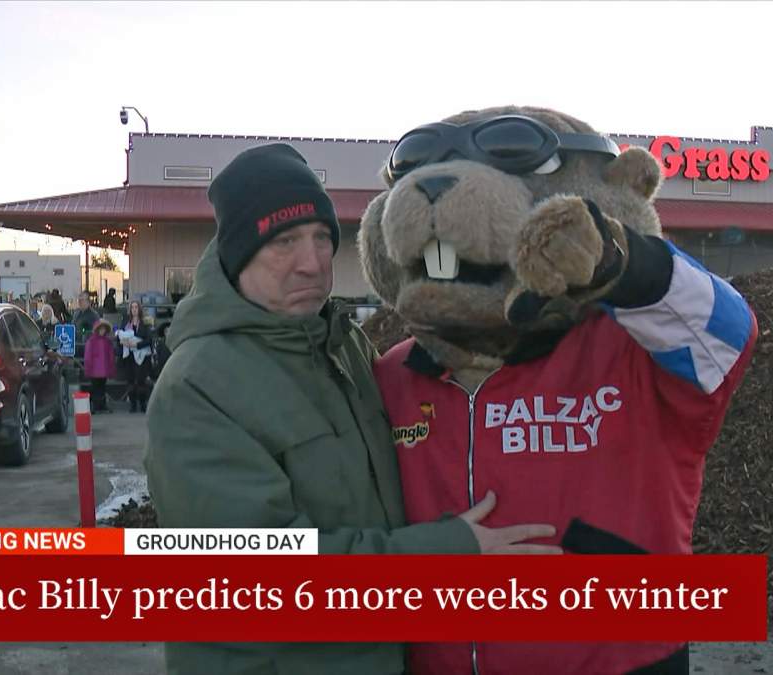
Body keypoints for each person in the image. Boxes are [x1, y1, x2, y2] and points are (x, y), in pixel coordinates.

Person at [143, 143, 558, 675]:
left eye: (321, 238)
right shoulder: (198, 385)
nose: (312, 263)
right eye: (284, 242)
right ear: (240, 254)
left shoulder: (346, 350)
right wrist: (449, 552)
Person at [117, 300, 152, 413]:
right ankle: (133, 405)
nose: (134, 309)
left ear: (139, 309)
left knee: (141, 381)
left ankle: (142, 404)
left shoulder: (145, 323)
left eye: (136, 307)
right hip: (129, 355)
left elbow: (149, 340)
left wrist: (137, 344)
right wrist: (122, 342)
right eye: (132, 307)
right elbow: (119, 337)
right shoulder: (126, 323)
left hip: (142, 355)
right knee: (130, 380)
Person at [83, 319, 116, 413]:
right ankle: (96, 406)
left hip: (104, 369)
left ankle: (101, 405)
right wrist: (88, 368)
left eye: (104, 329)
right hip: (94, 370)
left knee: (102, 387)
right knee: (96, 388)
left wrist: (111, 368)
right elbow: (88, 357)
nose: (102, 331)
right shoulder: (92, 341)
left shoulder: (107, 341)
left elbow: (111, 356)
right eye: (101, 329)